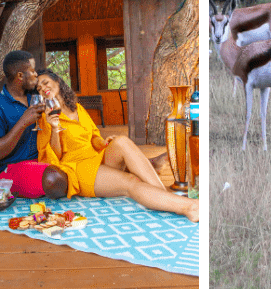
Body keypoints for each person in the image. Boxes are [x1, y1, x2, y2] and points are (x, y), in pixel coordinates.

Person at [35, 69, 198, 222]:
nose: (42, 88)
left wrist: (105, 143)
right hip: (78, 168)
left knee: (121, 141)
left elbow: (94, 136)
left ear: (57, 81)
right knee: (131, 181)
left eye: (45, 82)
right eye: (38, 87)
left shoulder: (76, 107)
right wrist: (55, 128)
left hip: (95, 156)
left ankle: (163, 197)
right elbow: (53, 157)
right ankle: (187, 207)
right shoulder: (45, 117)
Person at [0, 51, 69, 199]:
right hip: (11, 169)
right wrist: (23, 122)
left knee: (77, 166)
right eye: (32, 71)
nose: (36, 74)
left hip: (43, 160)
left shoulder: (35, 97)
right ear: (20, 76)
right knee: (55, 179)